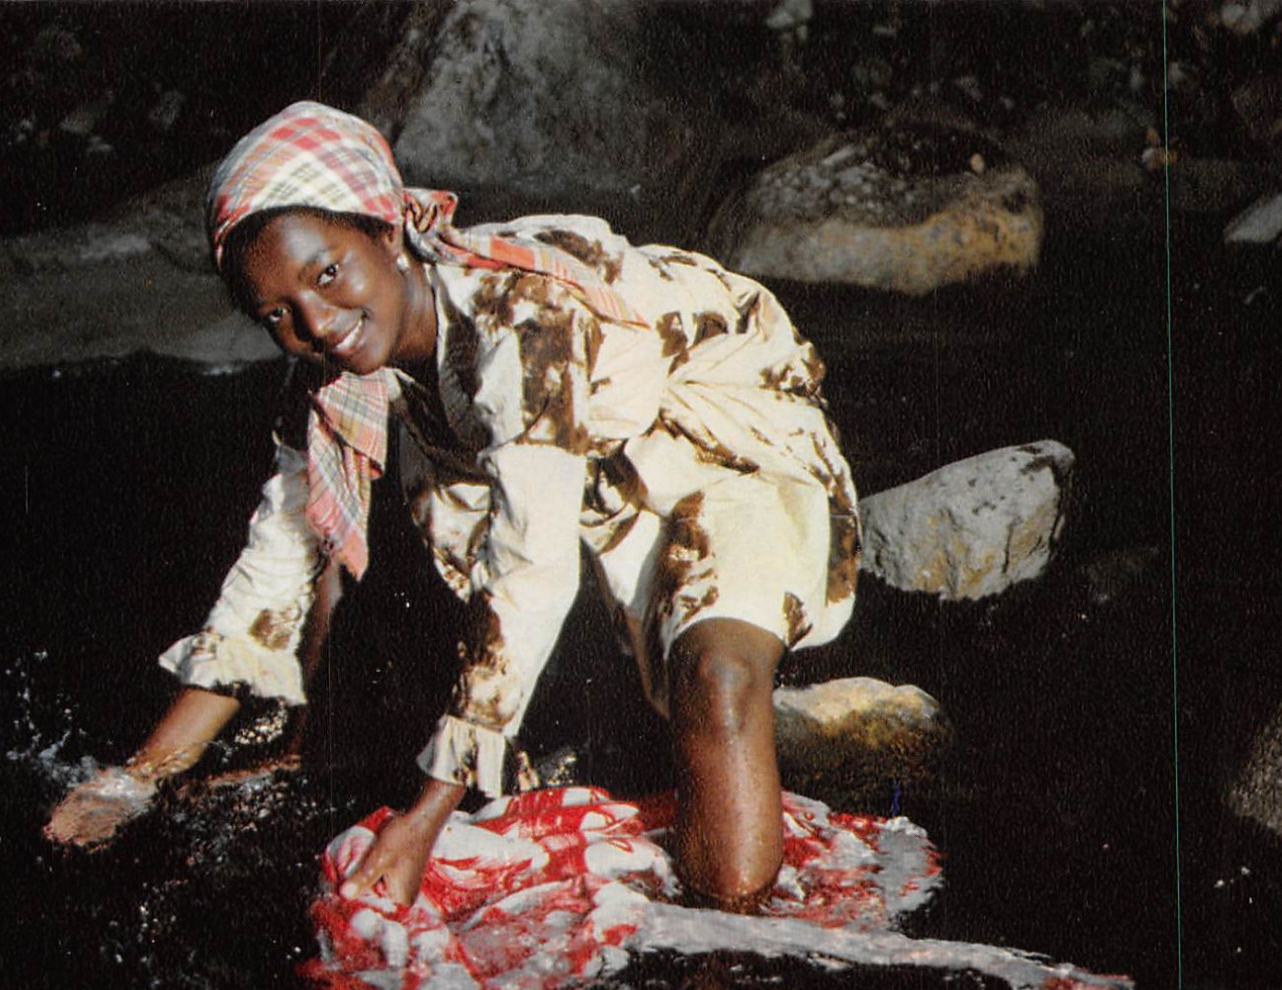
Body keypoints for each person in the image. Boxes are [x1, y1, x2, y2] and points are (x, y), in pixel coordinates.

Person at [45, 101, 860, 911]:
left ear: (387, 231)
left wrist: (424, 817)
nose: (318, 323)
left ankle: (733, 953)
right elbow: (269, 579)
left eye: (328, 272)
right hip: (587, 463)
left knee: (713, 673)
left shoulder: (519, 320)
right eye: (277, 315)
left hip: (721, 428)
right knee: (507, 707)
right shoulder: (333, 386)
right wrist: (136, 780)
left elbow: (531, 573)